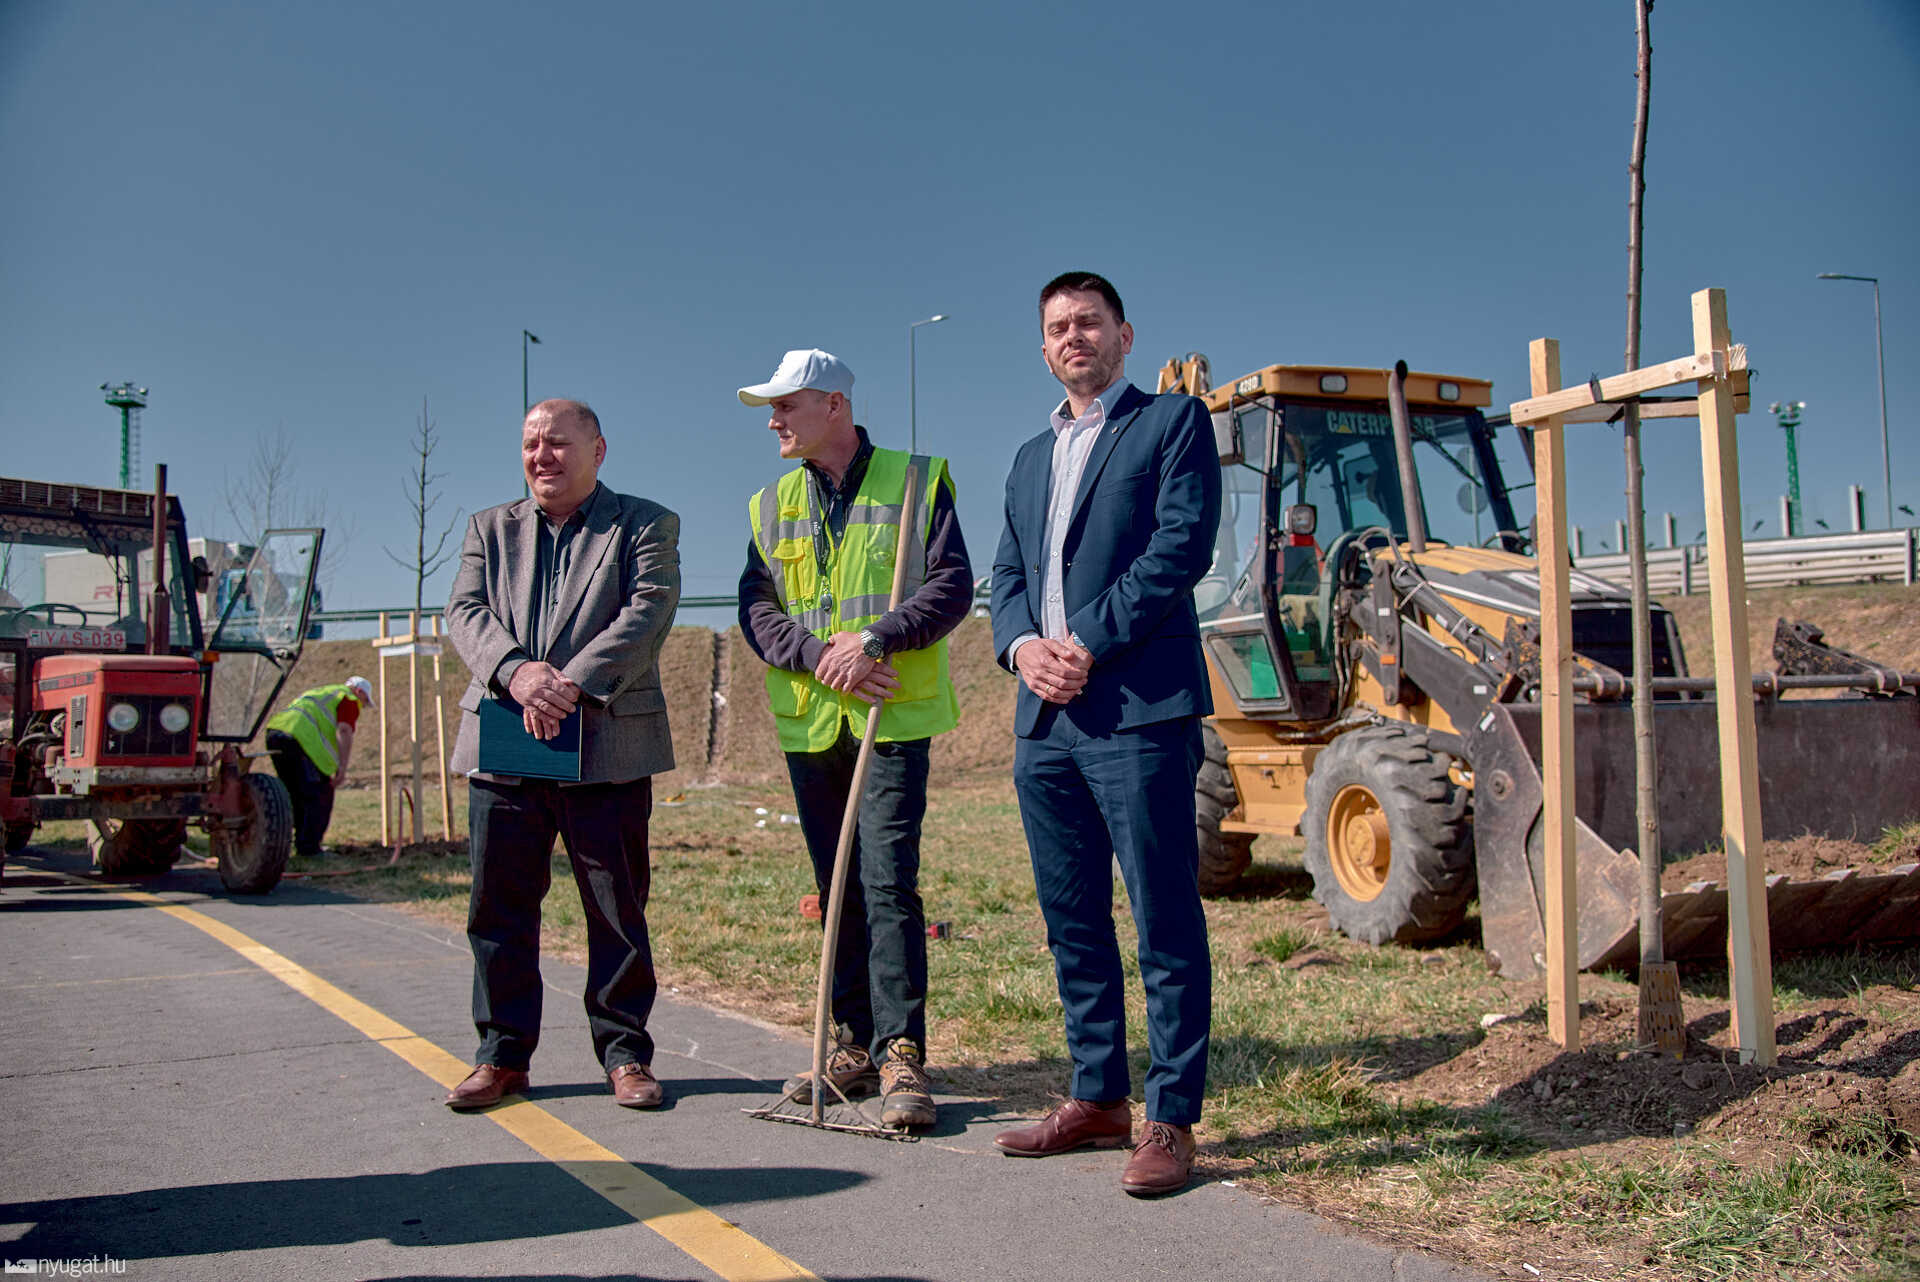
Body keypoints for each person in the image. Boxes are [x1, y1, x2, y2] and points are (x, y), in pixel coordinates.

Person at [988, 272, 1223, 1196]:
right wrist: (1022, 650)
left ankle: (1170, 1117)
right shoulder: (1026, 459)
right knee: (1072, 918)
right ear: (1043, 346)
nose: (1073, 337)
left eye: (1089, 322)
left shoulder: (1171, 423)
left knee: (1163, 916)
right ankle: (1097, 1097)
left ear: (1125, 335)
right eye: (1057, 327)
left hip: (1137, 708)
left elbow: (1180, 547)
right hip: (1045, 719)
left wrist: (1082, 640)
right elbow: (1008, 577)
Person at [736, 349, 973, 1129]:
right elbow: (757, 610)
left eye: (786, 405)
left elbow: (951, 586)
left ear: (833, 405)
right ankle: (851, 1041)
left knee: (885, 880)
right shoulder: (771, 504)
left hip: (890, 715)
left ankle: (901, 1050)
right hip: (814, 717)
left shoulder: (915, 481)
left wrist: (875, 639)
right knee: (833, 882)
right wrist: (820, 657)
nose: (773, 421)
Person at [442, 398, 681, 1113]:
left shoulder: (645, 524)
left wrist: (567, 684)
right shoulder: (488, 528)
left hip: (606, 744)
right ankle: (501, 1056)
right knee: (498, 907)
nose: (541, 456)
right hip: (505, 740)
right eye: (530, 444)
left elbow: (650, 610)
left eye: (557, 443)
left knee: (616, 910)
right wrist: (517, 672)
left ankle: (626, 1054)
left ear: (597, 451)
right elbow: (465, 612)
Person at [263, 675, 374, 858]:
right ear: (359, 691)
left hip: (276, 733)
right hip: (299, 740)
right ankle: (309, 849)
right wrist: (342, 767)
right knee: (320, 793)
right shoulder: (348, 698)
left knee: (294, 794)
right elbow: (344, 730)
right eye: (365, 701)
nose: (362, 706)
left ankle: (292, 844)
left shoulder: (322, 691)